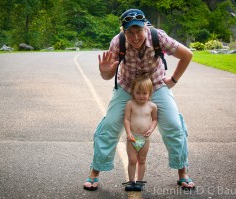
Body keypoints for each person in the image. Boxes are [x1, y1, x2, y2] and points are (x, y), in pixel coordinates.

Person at [83, 8, 195, 191]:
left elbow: (187, 55)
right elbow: (107, 75)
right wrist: (104, 70)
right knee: (110, 125)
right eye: (130, 32)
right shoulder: (117, 43)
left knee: (174, 125)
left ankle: (183, 172)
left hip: (156, 86)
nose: (135, 37)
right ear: (123, 31)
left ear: (145, 27)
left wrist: (173, 80)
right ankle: (95, 172)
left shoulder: (158, 37)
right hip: (127, 87)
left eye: (138, 31)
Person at [123, 75, 157, 191]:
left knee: (142, 160)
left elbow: (155, 120)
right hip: (132, 137)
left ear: (150, 92)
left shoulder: (152, 106)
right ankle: (131, 181)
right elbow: (127, 119)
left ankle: (139, 182)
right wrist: (128, 133)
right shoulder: (130, 104)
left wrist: (151, 129)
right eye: (138, 93)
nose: (141, 96)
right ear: (133, 92)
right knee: (132, 160)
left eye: (144, 93)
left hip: (144, 138)